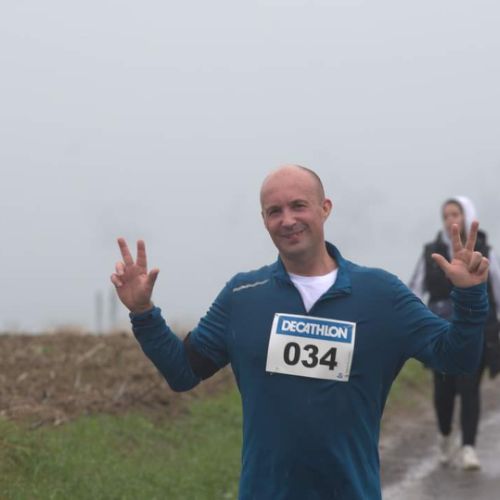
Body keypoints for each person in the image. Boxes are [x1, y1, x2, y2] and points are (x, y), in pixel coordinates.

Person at [111, 165, 490, 500]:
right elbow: (182, 372)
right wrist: (144, 313)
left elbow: (457, 358)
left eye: (298, 206)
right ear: (264, 220)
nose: (287, 219)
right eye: (274, 211)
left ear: (325, 208)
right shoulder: (243, 296)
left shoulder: (381, 295)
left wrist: (471, 295)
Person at [409, 196, 500, 470]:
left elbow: (497, 289)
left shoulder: (485, 251)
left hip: (477, 332)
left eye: (455, 214)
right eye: (446, 215)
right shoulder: (431, 253)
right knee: (443, 391)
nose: (450, 220)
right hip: (440, 332)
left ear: (466, 216)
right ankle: (445, 435)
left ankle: (469, 447)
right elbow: (414, 290)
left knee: (470, 388)